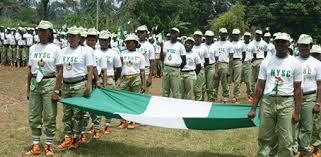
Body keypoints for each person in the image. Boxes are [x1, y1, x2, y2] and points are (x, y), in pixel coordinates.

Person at [248, 33, 302, 157]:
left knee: (286, 139)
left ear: (289, 44)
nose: (280, 44)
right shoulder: (266, 62)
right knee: (265, 137)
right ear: (274, 43)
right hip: (268, 102)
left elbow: (298, 90)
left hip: (287, 102)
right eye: (278, 42)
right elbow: (260, 87)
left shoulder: (295, 63)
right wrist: (253, 108)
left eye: (283, 42)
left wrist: (297, 112)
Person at [25, 20, 62, 156]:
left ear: (50, 32)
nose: (41, 33)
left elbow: (59, 71)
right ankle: (35, 145)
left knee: (50, 115)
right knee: (34, 115)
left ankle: (48, 145)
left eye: (45, 30)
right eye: (40, 30)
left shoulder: (55, 49)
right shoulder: (32, 48)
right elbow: (30, 70)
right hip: (36, 82)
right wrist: (28, 88)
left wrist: (57, 90)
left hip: (49, 82)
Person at [58, 26, 94, 150]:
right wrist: (59, 87)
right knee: (67, 113)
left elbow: (90, 70)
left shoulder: (85, 51)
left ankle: (76, 138)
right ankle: (68, 137)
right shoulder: (62, 51)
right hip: (66, 85)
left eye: (74, 36)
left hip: (79, 84)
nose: (71, 38)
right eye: (69, 36)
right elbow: (60, 70)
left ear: (79, 38)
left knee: (77, 113)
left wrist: (88, 85)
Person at [294, 35, 321, 157]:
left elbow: (320, 85)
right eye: (301, 45)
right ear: (297, 46)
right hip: (294, 97)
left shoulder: (316, 63)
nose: (303, 48)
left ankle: (304, 150)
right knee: (293, 123)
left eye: (306, 45)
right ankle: (294, 150)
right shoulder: (292, 61)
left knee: (307, 126)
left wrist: (318, 102)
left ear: (310, 46)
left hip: (309, 97)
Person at [118, 34, 145, 129]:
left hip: (136, 78)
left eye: (130, 42)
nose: (128, 44)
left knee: (134, 100)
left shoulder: (140, 55)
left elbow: (142, 71)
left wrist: (143, 84)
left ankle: (132, 121)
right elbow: (119, 67)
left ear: (135, 43)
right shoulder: (122, 54)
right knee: (122, 99)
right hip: (124, 78)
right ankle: (122, 121)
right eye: (127, 42)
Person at [98, 30, 122, 133]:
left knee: (108, 103)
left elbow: (118, 68)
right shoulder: (95, 51)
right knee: (97, 102)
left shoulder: (113, 53)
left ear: (109, 41)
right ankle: (95, 126)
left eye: (105, 40)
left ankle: (107, 124)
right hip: (97, 79)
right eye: (101, 40)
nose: (103, 42)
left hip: (109, 78)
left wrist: (113, 79)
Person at [160, 27, 186, 98]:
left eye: (175, 32)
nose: (173, 34)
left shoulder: (180, 46)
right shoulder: (165, 44)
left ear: (178, 34)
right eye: (171, 32)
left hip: (176, 69)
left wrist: (178, 69)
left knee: (176, 92)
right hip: (166, 68)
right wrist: (161, 48)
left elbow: (184, 61)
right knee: (165, 91)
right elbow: (162, 58)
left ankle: (175, 108)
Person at [213, 28, 233, 103]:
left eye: (225, 33)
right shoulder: (215, 44)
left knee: (225, 83)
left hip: (225, 64)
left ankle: (225, 98)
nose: (224, 35)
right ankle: (214, 98)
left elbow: (231, 58)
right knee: (215, 83)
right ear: (219, 34)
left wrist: (229, 70)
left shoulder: (229, 44)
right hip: (216, 64)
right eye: (222, 33)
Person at [136, 25, 155, 94]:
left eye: (142, 32)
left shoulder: (150, 46)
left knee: (144, 92)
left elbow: (152, 61)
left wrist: (150, 77)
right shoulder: (133, 44)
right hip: (135, 70)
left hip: (145, 70)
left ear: (146, 34)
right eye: (138, 32)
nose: (140, 34)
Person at [192, 30, 209, 101]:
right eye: (196, 36)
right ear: (194, 37)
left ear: (201, 38)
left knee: (200, 87)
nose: (198, 38)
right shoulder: (190, 46)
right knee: (192, 87)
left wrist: (201, 67)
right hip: (191, 69)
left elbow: (207, 60)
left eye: (199, 37)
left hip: (200, 69)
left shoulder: (204, 48)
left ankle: (199, 102)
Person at [230, 28, 245, 103]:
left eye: (237, 35)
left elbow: (244, 54)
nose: (236, 36)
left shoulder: (241, 43)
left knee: (237, 80)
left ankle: (236, 96)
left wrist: (241, 61)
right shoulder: (230, 43)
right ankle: (226, 96)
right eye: (234, 35)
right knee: (229, 79)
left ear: (239, 35)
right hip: (230, 62)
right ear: (232, 35)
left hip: (238, 61)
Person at [242, 32, 255, 102]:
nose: (246, 37)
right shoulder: (241, 44)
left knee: (248, 80)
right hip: (240, 62)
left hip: (248, 63)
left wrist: (250, 61)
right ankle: (236, 96)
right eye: (245, 36)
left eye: (248, 36)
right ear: (244, 37)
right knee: (237, 80)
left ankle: (249, 95)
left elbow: (254, 55)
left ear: (250, 37)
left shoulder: (252, 45)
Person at [202, 30, 216, 102]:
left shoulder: (215, 46)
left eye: (210, 37)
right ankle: (201, 100)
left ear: (212, 38)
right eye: (207, 37)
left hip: (211, 66)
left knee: (210, 85)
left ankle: (211, 100)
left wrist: (216, 70)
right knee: (202, 84)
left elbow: (217, 59)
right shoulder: (202, 45)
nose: (208, 38)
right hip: (203, 66)